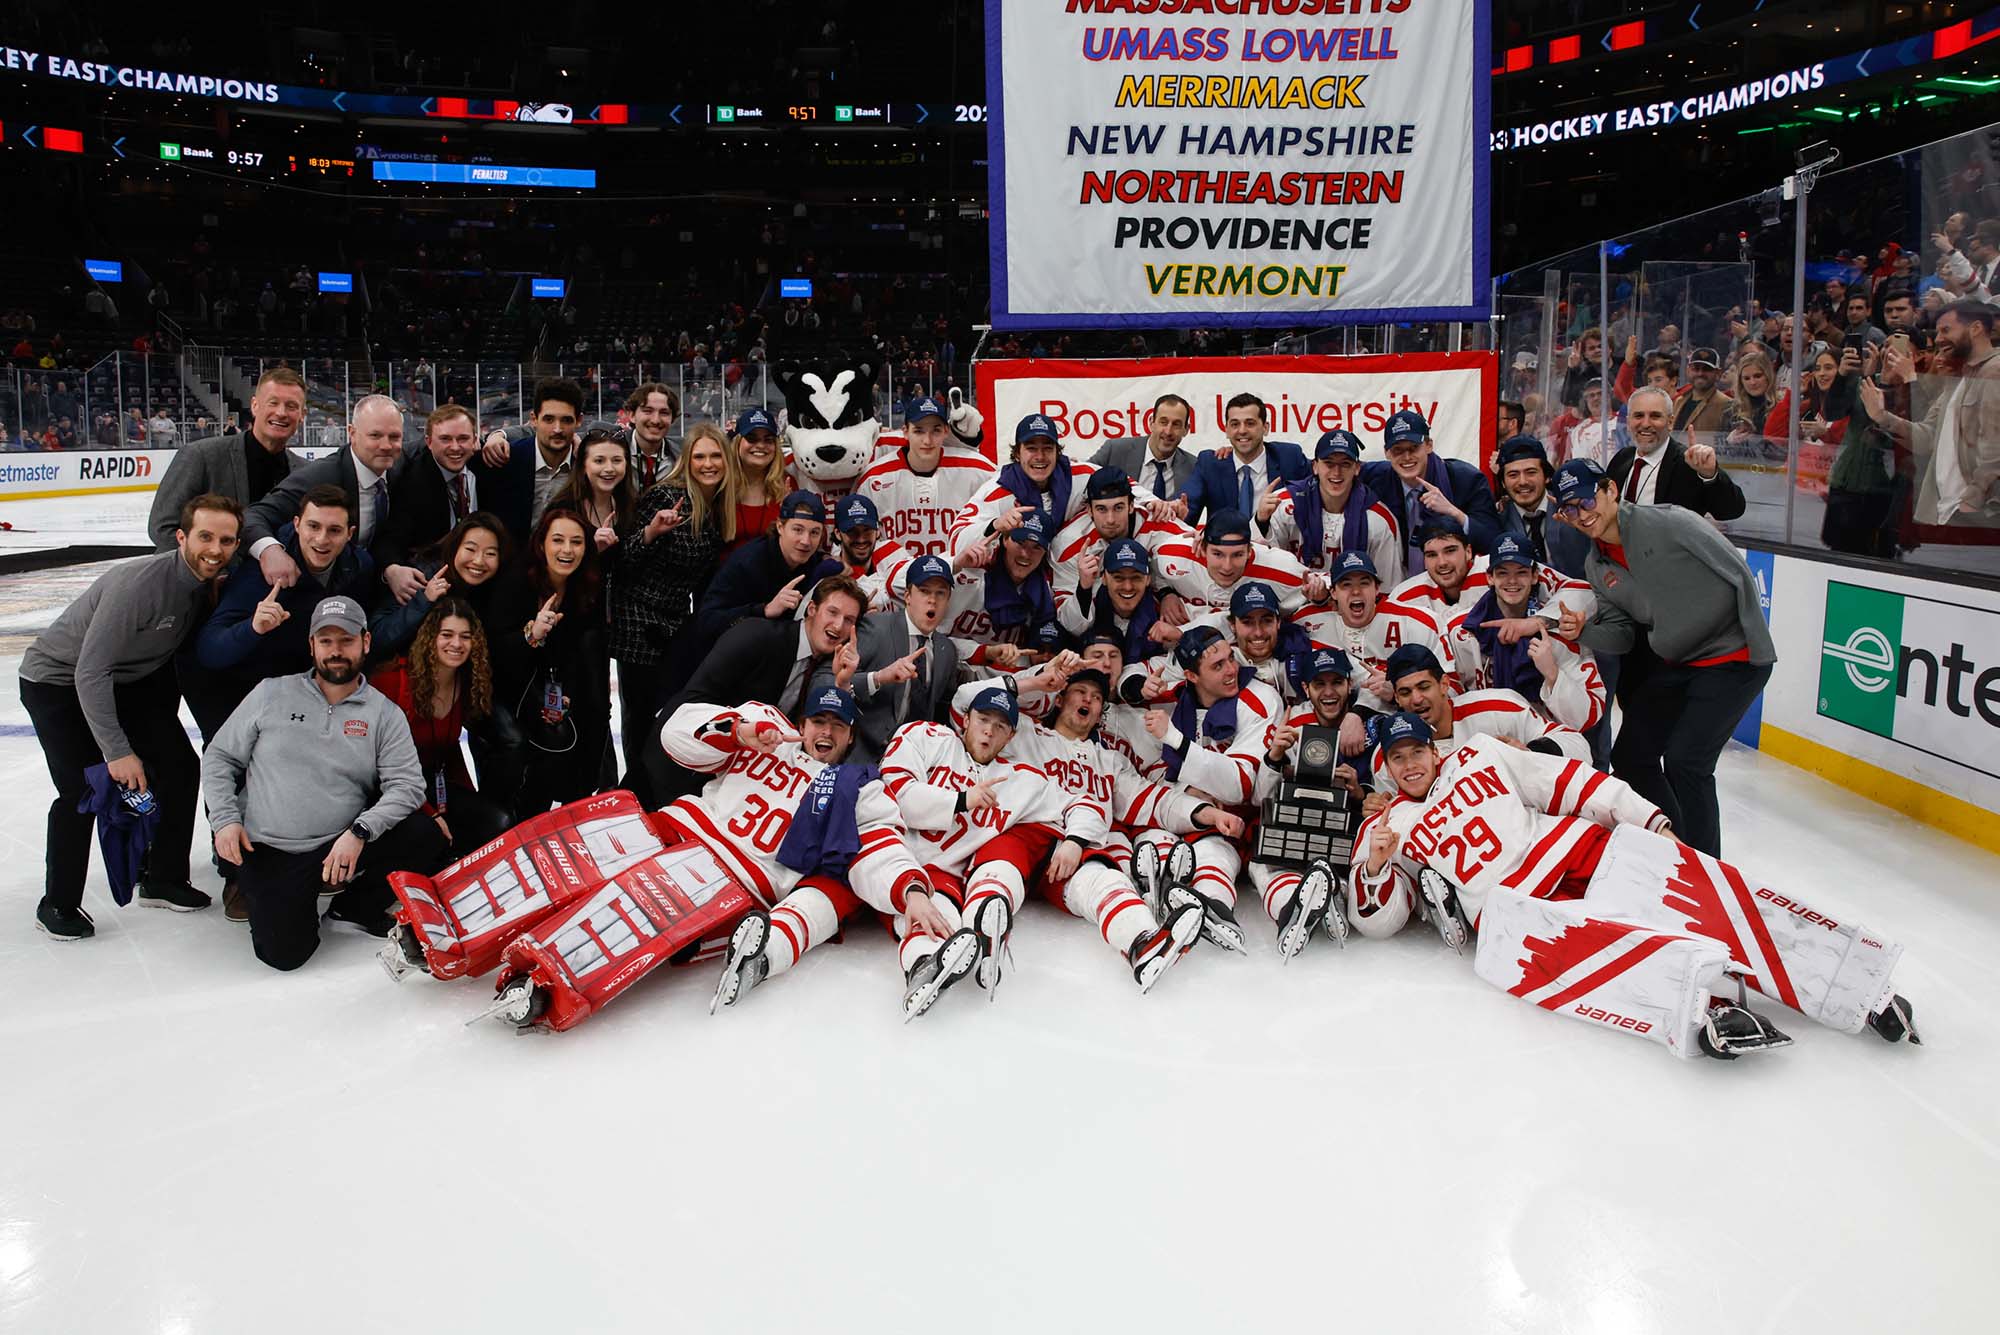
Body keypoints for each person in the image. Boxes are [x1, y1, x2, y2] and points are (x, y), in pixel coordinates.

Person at [1351, 714, 1920, 1059]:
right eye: (1397, 758)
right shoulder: (1388, 825)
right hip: (1522, 909)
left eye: (1417, 751)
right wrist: (1376, 869)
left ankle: (1854, 981)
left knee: (1708, 903)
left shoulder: (1479, 754)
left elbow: (1568, 780)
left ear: (1435, 748)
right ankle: (1708, 1008)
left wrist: (1648, 818)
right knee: (1553, 949)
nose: (1409, 765)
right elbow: (1378, 920)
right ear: (1387, 767)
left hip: (1581, 853)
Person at [19, 495, 242, 939]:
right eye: (204, 536)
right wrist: (117, 752)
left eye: (226, 539)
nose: (215, 548)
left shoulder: (207, 583)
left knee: (180, 767)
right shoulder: (137, 584)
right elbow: (90, 671)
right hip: (58, 681)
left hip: (129, 681)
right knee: (84, 789)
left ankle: (163, 877)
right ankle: (58, 903)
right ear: (180, 537)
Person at [202, 597, 447, 970]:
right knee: (284, 955)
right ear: (311, 645)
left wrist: (360, 832)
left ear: (365, 642)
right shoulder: (271, 693)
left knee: (424, 836)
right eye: (326, 641)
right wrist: (225, 820)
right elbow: (220, 756)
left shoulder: (383, 713)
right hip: (269, 846)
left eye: (346, 640)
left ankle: (352, 907)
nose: (336, 651)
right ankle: (260, 888)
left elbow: (408, 785)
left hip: (339, 844)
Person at [662, 688, 941, 1012]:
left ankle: (761, 947)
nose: (826, 731)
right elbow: (675, 735)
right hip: (679, 835)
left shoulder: (858, 785)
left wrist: (911, 890)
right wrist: (738, 733)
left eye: (838, 725)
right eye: (818, 721)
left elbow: (880, 844)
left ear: (850, 737)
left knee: (839, 878)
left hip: (740, 885)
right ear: (801, 724)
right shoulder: (763, 725)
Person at [1551, 459, 1775, 858]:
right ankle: (1679, 847)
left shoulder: (1670, 523)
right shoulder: (1596, 565)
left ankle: (1708, 869)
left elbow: (1737, 572)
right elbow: (1620, 635)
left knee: (1687, 762)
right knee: (1630, 757)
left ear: (1610, 490)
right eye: (1569, 509)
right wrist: (1581, 631)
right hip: (1679, 664)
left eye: (1586, 501)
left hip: (1734, 659)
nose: (1582, 515)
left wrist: (1751, 641)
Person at [191, 484, 375, 775]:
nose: (322, 540)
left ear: (350, 534)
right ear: (297, 524)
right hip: (234, 695)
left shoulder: (358, 566)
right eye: (313, 526)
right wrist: (253, 628)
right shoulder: (262, 574)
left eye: (334, 530)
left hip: (296, 697)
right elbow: (210, 650)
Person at [1122, 626, 1283, 953]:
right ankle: (1169, 894)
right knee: (1159, 817)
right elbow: (1128, 675)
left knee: (1217, 843)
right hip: (1191, 806)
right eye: (1217, 666)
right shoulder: (1174, 694)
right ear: (1191, 677)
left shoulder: (1260, 699)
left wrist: (1175, 740)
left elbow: (1241, 786)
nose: (1231, 670)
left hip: (1248, 811)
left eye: (1230, 659)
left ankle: (1214, 906)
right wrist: (1139, 687)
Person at [643, 575, 869, 800]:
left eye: (849, 620)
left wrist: (841, 684)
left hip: (735, 790)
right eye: (832, 612)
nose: (839, 625)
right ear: (811, 609)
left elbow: (831, 729)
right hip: (678, 772)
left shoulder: (829, 665)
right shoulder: (757, 635)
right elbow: (691, 702)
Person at [609, 422, 731, 777]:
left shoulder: (716, 508)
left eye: (715, 456)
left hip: (674, 626)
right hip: (639, 626)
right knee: (641, 718)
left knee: (668, 715)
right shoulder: (666, 497)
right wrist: (650, 532)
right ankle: (635, 792)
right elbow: (624, 559)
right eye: (700, 457)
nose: (708, 464)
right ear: (687, 462)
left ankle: (654, 787)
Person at [366, 599, 513, 860]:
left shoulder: (464, 683)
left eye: (465, 637)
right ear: (430, 638)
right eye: (447, 635)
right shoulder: (393, 680)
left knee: (497, 822)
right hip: (388, 786)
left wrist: (468, 796)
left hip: (431, 783)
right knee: (432, 837)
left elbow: (449, 749)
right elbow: (377, 764)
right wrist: (430, 811)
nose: (456, 644)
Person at [489, 507, 612, 817]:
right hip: (508, 685)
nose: (567, 550)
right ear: (541, 543)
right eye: (558, 540)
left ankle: (578, 802)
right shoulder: (517, 581)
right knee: (535, 744)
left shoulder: (585, 585)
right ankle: (519, 816)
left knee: (595, 711)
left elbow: (577, 652)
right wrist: (532, 634)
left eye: (577, 542)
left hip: (552, 683)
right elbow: (496, 655)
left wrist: (567, 693)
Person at [1856, 298, 2000, 531]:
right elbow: (1930, 436)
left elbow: (1995, 447)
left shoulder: (1995, 370)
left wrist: (1973, 499)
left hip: (1974, 514)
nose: (1940, 338)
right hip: (1945, 511)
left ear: (1975, 329)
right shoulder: (1959, 378)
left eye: (1946, 330)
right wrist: (1883, 417)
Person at [1450, 532, 1606, 737]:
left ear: (1534, 576)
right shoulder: (1462, 632)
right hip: (1484, 739)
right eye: (1503, 573)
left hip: (1546, 739)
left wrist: (1552, 674)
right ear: (1490, 578)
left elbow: (1588, 715)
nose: (1512, 581)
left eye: (1521, 572)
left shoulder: (1560, 634)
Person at [244, 394, 408, 589]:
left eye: (394, 437)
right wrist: (270, 551)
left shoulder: (400, 468)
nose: (386, 446)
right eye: (375, 435)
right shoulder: (320, 476)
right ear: (352, 433)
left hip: (369, 586)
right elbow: (252, 517)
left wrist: (390, 567)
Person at [812, 554, 962, 762]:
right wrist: (878, 677)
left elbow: (943, 712)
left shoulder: (947, 650)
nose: (932, 600)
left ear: (948, 600)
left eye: (940, 593)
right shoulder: (875, 628)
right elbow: (822, 681)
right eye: (924, 591)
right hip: (856, 754)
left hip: (912, 764)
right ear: (908, 596)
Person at [145, 367, 304, 550]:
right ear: (254, 405)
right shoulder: (201, 455)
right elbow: (163, 527)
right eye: (273, 403)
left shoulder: (303, 472)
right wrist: (213, 567)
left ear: (302, 415)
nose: (281, 412)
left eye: (291, 406)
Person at [686, 489, 842, 649]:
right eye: (798, 529)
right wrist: (764, 610)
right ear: (780, 527)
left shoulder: (816, 564)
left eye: (814, 532)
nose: (806, 541)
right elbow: (707, 622)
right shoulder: (748, 562)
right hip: (721, 655)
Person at [853, 393, 996, 558]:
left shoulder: (979, 471)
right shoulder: (873, 478)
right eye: (919, 431)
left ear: (946, 432)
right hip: (895, 580)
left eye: (935, 431)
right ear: (905, 432)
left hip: (959, 579)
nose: (927, 441)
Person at [1049, 465, 1190, 628]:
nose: (1110, 519)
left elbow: (1208, 560)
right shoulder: (1068, 544)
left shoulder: (1160, 526)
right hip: (1095, 633)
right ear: (1089, 510)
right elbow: (1070, 625)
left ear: (1131, 505)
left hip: (1152, 622)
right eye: (1101, 509)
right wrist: (1084, 588)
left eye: (1118, 508)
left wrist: (1167, 593)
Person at [948, 413, 1103, 556]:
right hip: (1017, 571)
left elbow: (1125, 486)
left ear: (1057, 452)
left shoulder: (1080, 475)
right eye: (1031, 449)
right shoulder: (998, 490)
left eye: (1047, 449)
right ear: (1017, 453)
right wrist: (994, 525)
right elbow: (956, 540)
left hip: (1069, 572)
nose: (1040, 457)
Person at [367, 511, 512, 663]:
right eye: (470, 549)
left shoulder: (496, 584)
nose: (479, 561)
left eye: (490, 553)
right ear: (454, 547)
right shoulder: (423, 575)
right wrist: (424, 600)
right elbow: (377, 638)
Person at [1361, 407, 1501, 561]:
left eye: (1413, 448)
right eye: (1397, 450)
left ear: (1429, 445)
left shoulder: (1466, 479)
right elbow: (1343, 472)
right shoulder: (1375, 478)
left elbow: (1494, 542)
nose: (1406, 457)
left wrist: (1454, 512)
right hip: (1398, 577)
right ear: (1387, 453)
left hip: (1455, 576)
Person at [1260, 428, 1400, 580]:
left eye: (1345, 464)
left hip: (1352, 601)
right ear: (1315, 466)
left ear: (1357, 468)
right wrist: (1261, 522)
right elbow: (1261, 568)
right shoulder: (1281, 504)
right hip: (1291, 599)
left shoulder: (1379, 519)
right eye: (1329, 463)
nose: (1337, 472)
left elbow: (1387, 587)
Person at [376, 404, 484, 601]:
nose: (455, 447)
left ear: (476, 440)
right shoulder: (411, 481)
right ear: (428, 442)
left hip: (482, 577)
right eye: (445, 439)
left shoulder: (487, 466)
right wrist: (391, 570)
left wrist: (500, 435)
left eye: (463, 439)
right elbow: (391, 537)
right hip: (434, 584)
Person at [1171, 392, 1310, 526]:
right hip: (1227, 548)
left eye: (1250, 423)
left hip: (1278, 547)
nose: (1242, 430)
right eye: (1235, 424)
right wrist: (1180, 512)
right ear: (1226, 430)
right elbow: (1188, 505)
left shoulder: (1290, 457)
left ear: (1265, 428)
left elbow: (1321, 477)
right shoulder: (1210, 463)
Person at [1606, 386, 1746, 520]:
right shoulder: (1621, 459)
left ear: (1670, 422)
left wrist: (1710, 476)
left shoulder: (1689, 463)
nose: (1646, 423)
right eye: (1638, 416)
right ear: (1629, 421)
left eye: (1655, 416)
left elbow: (1731, 510)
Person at [1763, 343, 1852, 499]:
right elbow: (1772, 433)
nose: (1821, 374)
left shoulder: (1852, 410)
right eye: (1817, 369)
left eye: (1829, 368)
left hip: (1831, 497)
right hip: (1795, 492)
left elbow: (1851, 450)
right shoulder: (1808, 407)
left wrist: (1825, 434)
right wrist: (1793, 394)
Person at [1493, 437, 1591, 577]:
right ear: (1503, 483)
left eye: (1531, 472)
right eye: (1513, 475)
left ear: (1547, 476)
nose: (1523, 482)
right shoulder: (1497, 520)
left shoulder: (1575, 508)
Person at [551, 426, 641, 562]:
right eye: (599, 461)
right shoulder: (563, 508)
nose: (609, 469)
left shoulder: (631, 503)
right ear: (583, 466)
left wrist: (651, 532)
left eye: (617, 460)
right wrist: (593, 550)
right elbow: (550, 566)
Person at [1095, 392, 1200, 499]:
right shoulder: (1114, 450)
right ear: (1151, 423)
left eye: (1176, 424)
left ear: (1186, 430)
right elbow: (1082, 479)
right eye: (1163, 422)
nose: (1168, 431)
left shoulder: (1194, 468)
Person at [726, 406, 787, 551]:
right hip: (725, 572)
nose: (760, 445)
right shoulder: (721, 485)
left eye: (768, 440)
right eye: (751, 439)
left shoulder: (787, 486)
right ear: (737, 443)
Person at [622, 381, 680, 488]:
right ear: (632, 415)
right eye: (648, 411)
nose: (655, 420)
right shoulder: (613, 451)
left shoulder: (683, 457)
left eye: (664, 413)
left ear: (672, 418)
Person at [1672, 347, 1734, 445]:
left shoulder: (1727, 405)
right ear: (1688, 370)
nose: (1700, 373)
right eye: (1696, 368)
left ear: (1718, 373)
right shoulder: (1679, 401)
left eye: (1707, 369)